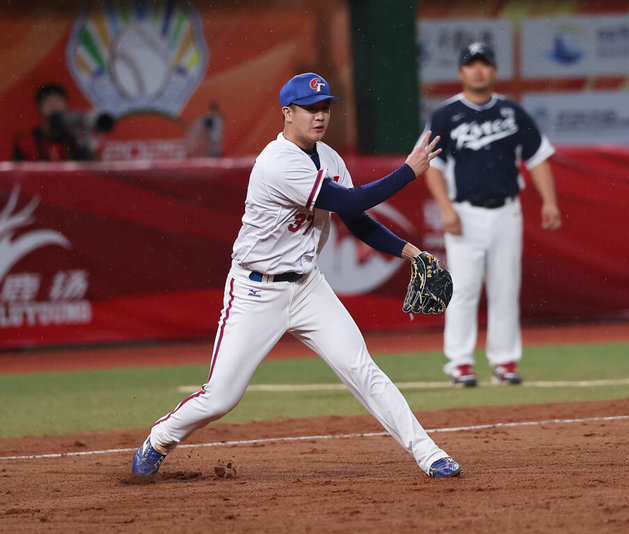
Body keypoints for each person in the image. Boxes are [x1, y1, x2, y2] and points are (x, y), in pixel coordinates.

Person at [131, 72, 462, 479]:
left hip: (308, 287)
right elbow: (347, 199)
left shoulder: (330, 158)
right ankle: (160, 438)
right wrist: (407, 171)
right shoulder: (277, 162)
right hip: (256, 291)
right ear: (287, 113)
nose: (319, 116)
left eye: (325, 108)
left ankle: (429, 454)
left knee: (362, 369)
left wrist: (411, 252)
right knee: (221, 398)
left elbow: (357, 220)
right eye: (309, 109)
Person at [421, 42, 562, 387]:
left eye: (484, 63)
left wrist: (549, 201)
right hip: (465, 212)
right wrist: (446, 209)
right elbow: (431, 165)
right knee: (463, 289)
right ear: (461, 72)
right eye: (472, 64)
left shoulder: (512, 113)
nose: (478, 70)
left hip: (506, 210)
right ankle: (460, 363)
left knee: (505, 288)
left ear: (495, 70)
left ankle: (505, 361)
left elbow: (537, 158)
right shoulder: (446, 114)